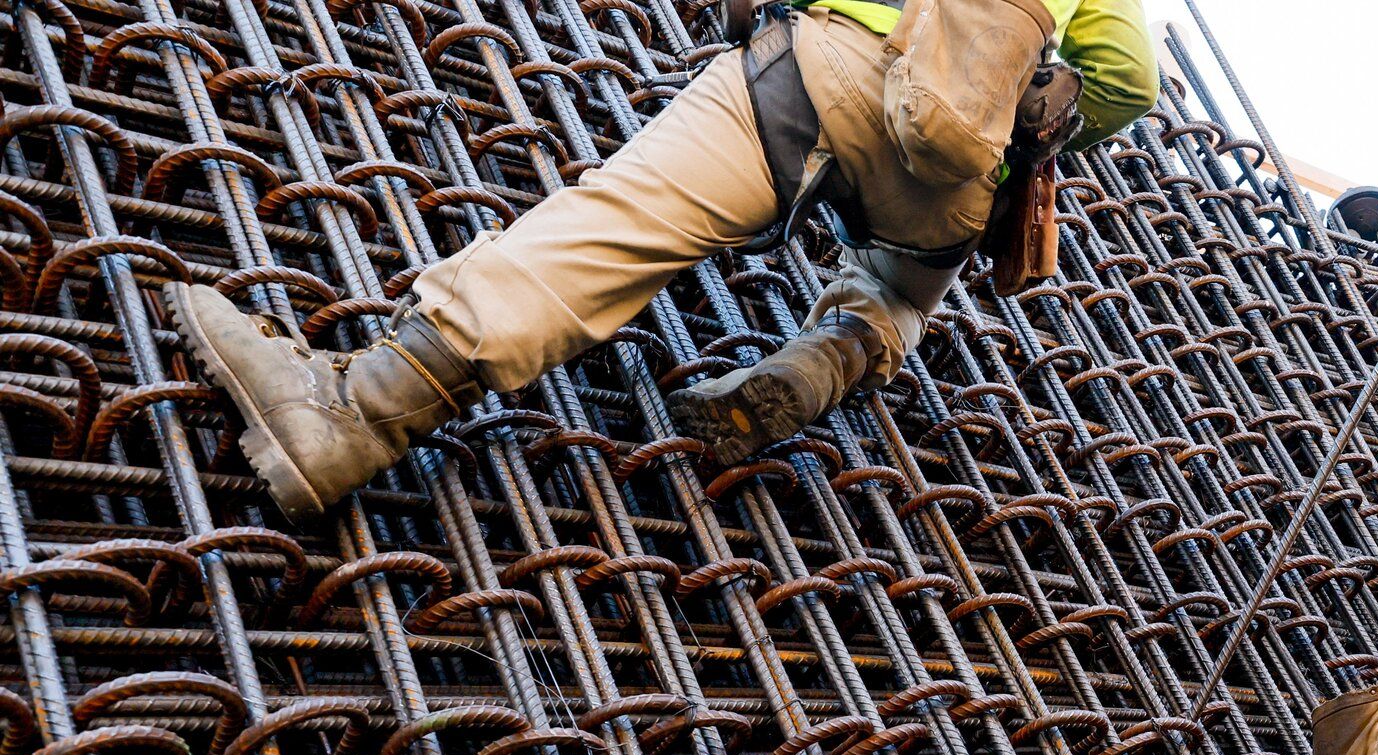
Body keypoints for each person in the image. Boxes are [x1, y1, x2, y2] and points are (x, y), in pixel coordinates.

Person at [167, 0, 1157, 519]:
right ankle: (816, 367)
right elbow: (1129, 81)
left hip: (832, 71)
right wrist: (1036, 121)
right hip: (959, 164)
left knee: (621, 225)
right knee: (899, 294)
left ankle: (355, 413)